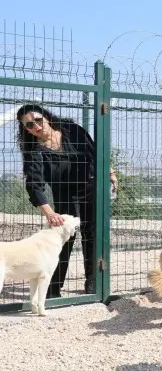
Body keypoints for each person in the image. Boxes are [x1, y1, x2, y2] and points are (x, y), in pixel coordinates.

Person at [16, 104, 118, 297]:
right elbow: (34, 185)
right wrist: (49, 213)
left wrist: (110, 173)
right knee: (63, 237)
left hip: (90, 187)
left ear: (46, 117)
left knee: (92, 234)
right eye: (29, 125)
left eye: (38, 120)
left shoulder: (72, 131)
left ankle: (93, 284)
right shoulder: (34, 151)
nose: (36, 126)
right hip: (63, 193)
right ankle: (53, 288)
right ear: (25, 129)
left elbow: (96, 152)